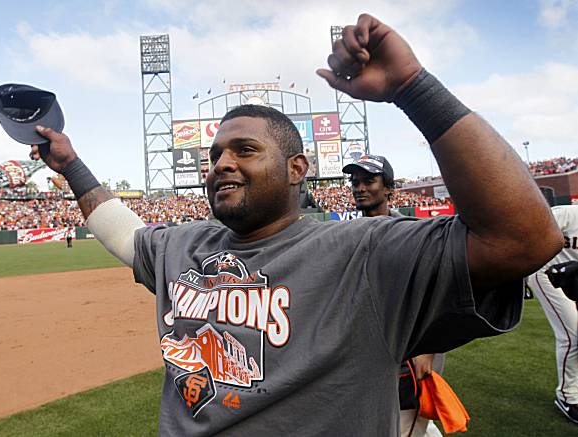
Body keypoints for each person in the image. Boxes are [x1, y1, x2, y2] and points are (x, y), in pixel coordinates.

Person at [29, 13, 562, 436]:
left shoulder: (367, 251)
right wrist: (71, 164)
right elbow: (125, 234)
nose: (221, 164)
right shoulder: (184, 245)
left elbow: (525, 239)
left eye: (245, 149)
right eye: (214, 154)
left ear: (296, 169)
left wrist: (412, 87)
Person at [343, 155, 444, 437]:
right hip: (367, 349)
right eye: (355, 181)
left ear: (388, 188)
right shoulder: (344, 235)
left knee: (403, 423)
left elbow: (436, 293)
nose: (359, 187)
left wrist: (427, 348)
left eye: (369, 181)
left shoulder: (413, 233)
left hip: (411, 351)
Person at [528, 205, 578, 425]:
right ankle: (568, 397)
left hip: (575, 280)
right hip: (547, 274)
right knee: (572, 335)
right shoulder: (568, 215)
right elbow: (527, 230)